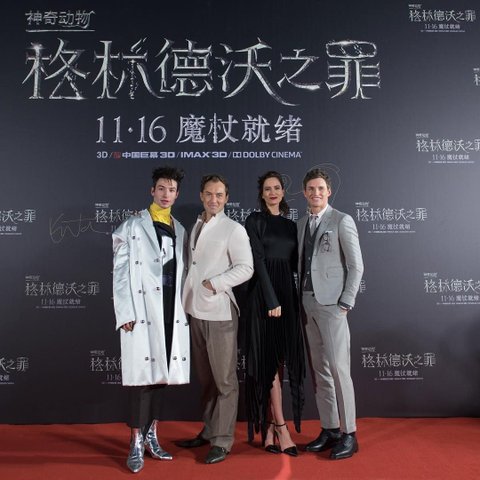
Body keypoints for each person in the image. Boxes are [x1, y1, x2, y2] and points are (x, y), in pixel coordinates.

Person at [112, 166, 190, 473]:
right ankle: (135, 441)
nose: (166, 194)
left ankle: (151, 436)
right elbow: (120, 272)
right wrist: (125, 312)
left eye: (171, 190)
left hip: (170, 307)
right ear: (152, 191)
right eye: (161, 189)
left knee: (161, 377)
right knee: (141, 379)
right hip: (142, 309)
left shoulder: (180, 229)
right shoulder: (131, 226)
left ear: (177, 194)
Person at [177, 174, 253, 464]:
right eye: (209, 194)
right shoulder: (196, 225)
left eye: (219, 195)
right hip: (195, 310)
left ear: (226, 198)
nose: (214, 199)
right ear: (201, 196)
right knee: (206, 379)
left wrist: (215, 284)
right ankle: (209, 431)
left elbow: (246, 267)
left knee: (224, 380)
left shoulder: (233, 229)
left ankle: (222, 440)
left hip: (220, 312)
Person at [298, 168, 364, 460]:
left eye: (320, 189)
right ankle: (330, 428)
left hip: (333, 306)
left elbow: (356, 265)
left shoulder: (341, 220)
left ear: (328, 192)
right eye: (311, 189)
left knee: (339, 369)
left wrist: (345, 302)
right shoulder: (301, 224)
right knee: (320, 371)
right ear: (304, 193)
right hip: (307, 303)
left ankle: (350, 434)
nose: (316, 193)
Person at [244, 171, 305, 457]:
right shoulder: (254, 221)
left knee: (279, 360)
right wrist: (270, 299)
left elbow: (296, 265)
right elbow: (257, 260)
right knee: (268, 359)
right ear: (261, 193)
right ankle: (282, 426)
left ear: (283, 192)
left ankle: (269, 428)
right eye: (267, 188)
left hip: (287, 294)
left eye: (276, 187)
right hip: (264, 294)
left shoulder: (292, 226)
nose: (272, 192)